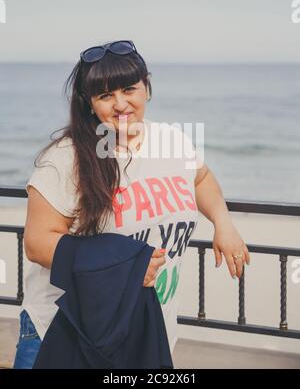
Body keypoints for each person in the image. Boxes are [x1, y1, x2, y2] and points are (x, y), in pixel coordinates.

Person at [13, 40, 250, 369]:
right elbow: (37, 243)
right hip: (67, 334)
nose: (120, 104)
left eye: (129, 89)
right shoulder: (65, 157)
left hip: (145, 333)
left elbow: (201, 179)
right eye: (105, 95)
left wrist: (223, 224)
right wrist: (128, 263)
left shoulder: (171, 140)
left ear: (147, 88)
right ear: (90, 103)